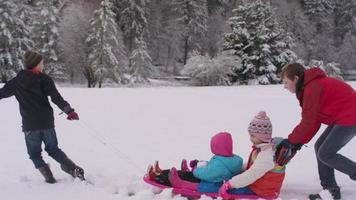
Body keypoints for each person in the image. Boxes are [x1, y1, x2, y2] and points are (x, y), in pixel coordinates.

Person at [0, 51, 85, 183]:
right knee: (53, 149)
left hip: (30, 125)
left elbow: (2, 93)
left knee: (34, 154)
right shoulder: (44, 79)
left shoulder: (16, 82)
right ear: (35, 64)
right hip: (47, 122)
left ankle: (48, 177)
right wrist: (69, 111)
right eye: (41, 63)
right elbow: (56, 97)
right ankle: (73, 168)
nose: (43, 65)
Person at [276, 63, 356, 200]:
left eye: (286, 82)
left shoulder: (312, 88)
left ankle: (333, 187)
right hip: (343, 117)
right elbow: (314, 122)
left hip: (350, 117)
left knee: (325, 153)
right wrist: (297, 143)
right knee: (320, 147)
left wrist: (291, 141)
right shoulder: (310, 87)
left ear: (295, 79)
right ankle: (330, 189)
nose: (284, 86)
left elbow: (309, 121)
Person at [146, 131, 243, 193]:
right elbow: (211, 166)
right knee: (184, 174)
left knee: (184, 176)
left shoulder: (220, 166)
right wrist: (199, 163)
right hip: (210, 179)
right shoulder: (230, 158)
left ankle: (157, 177)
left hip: (206, 182)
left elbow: (204, 173)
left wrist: (195, 169)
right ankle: (161, 172)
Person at [218, 111, 286, 198]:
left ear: (262, 136)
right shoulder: (262, 149)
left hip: (262, 191)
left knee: (228, 189)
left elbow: (252, 174)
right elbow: (254, 166)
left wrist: (230, 184)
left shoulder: (267, 155)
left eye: (253, 136)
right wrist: (237, 168)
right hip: (260, 185)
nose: (250, 138)